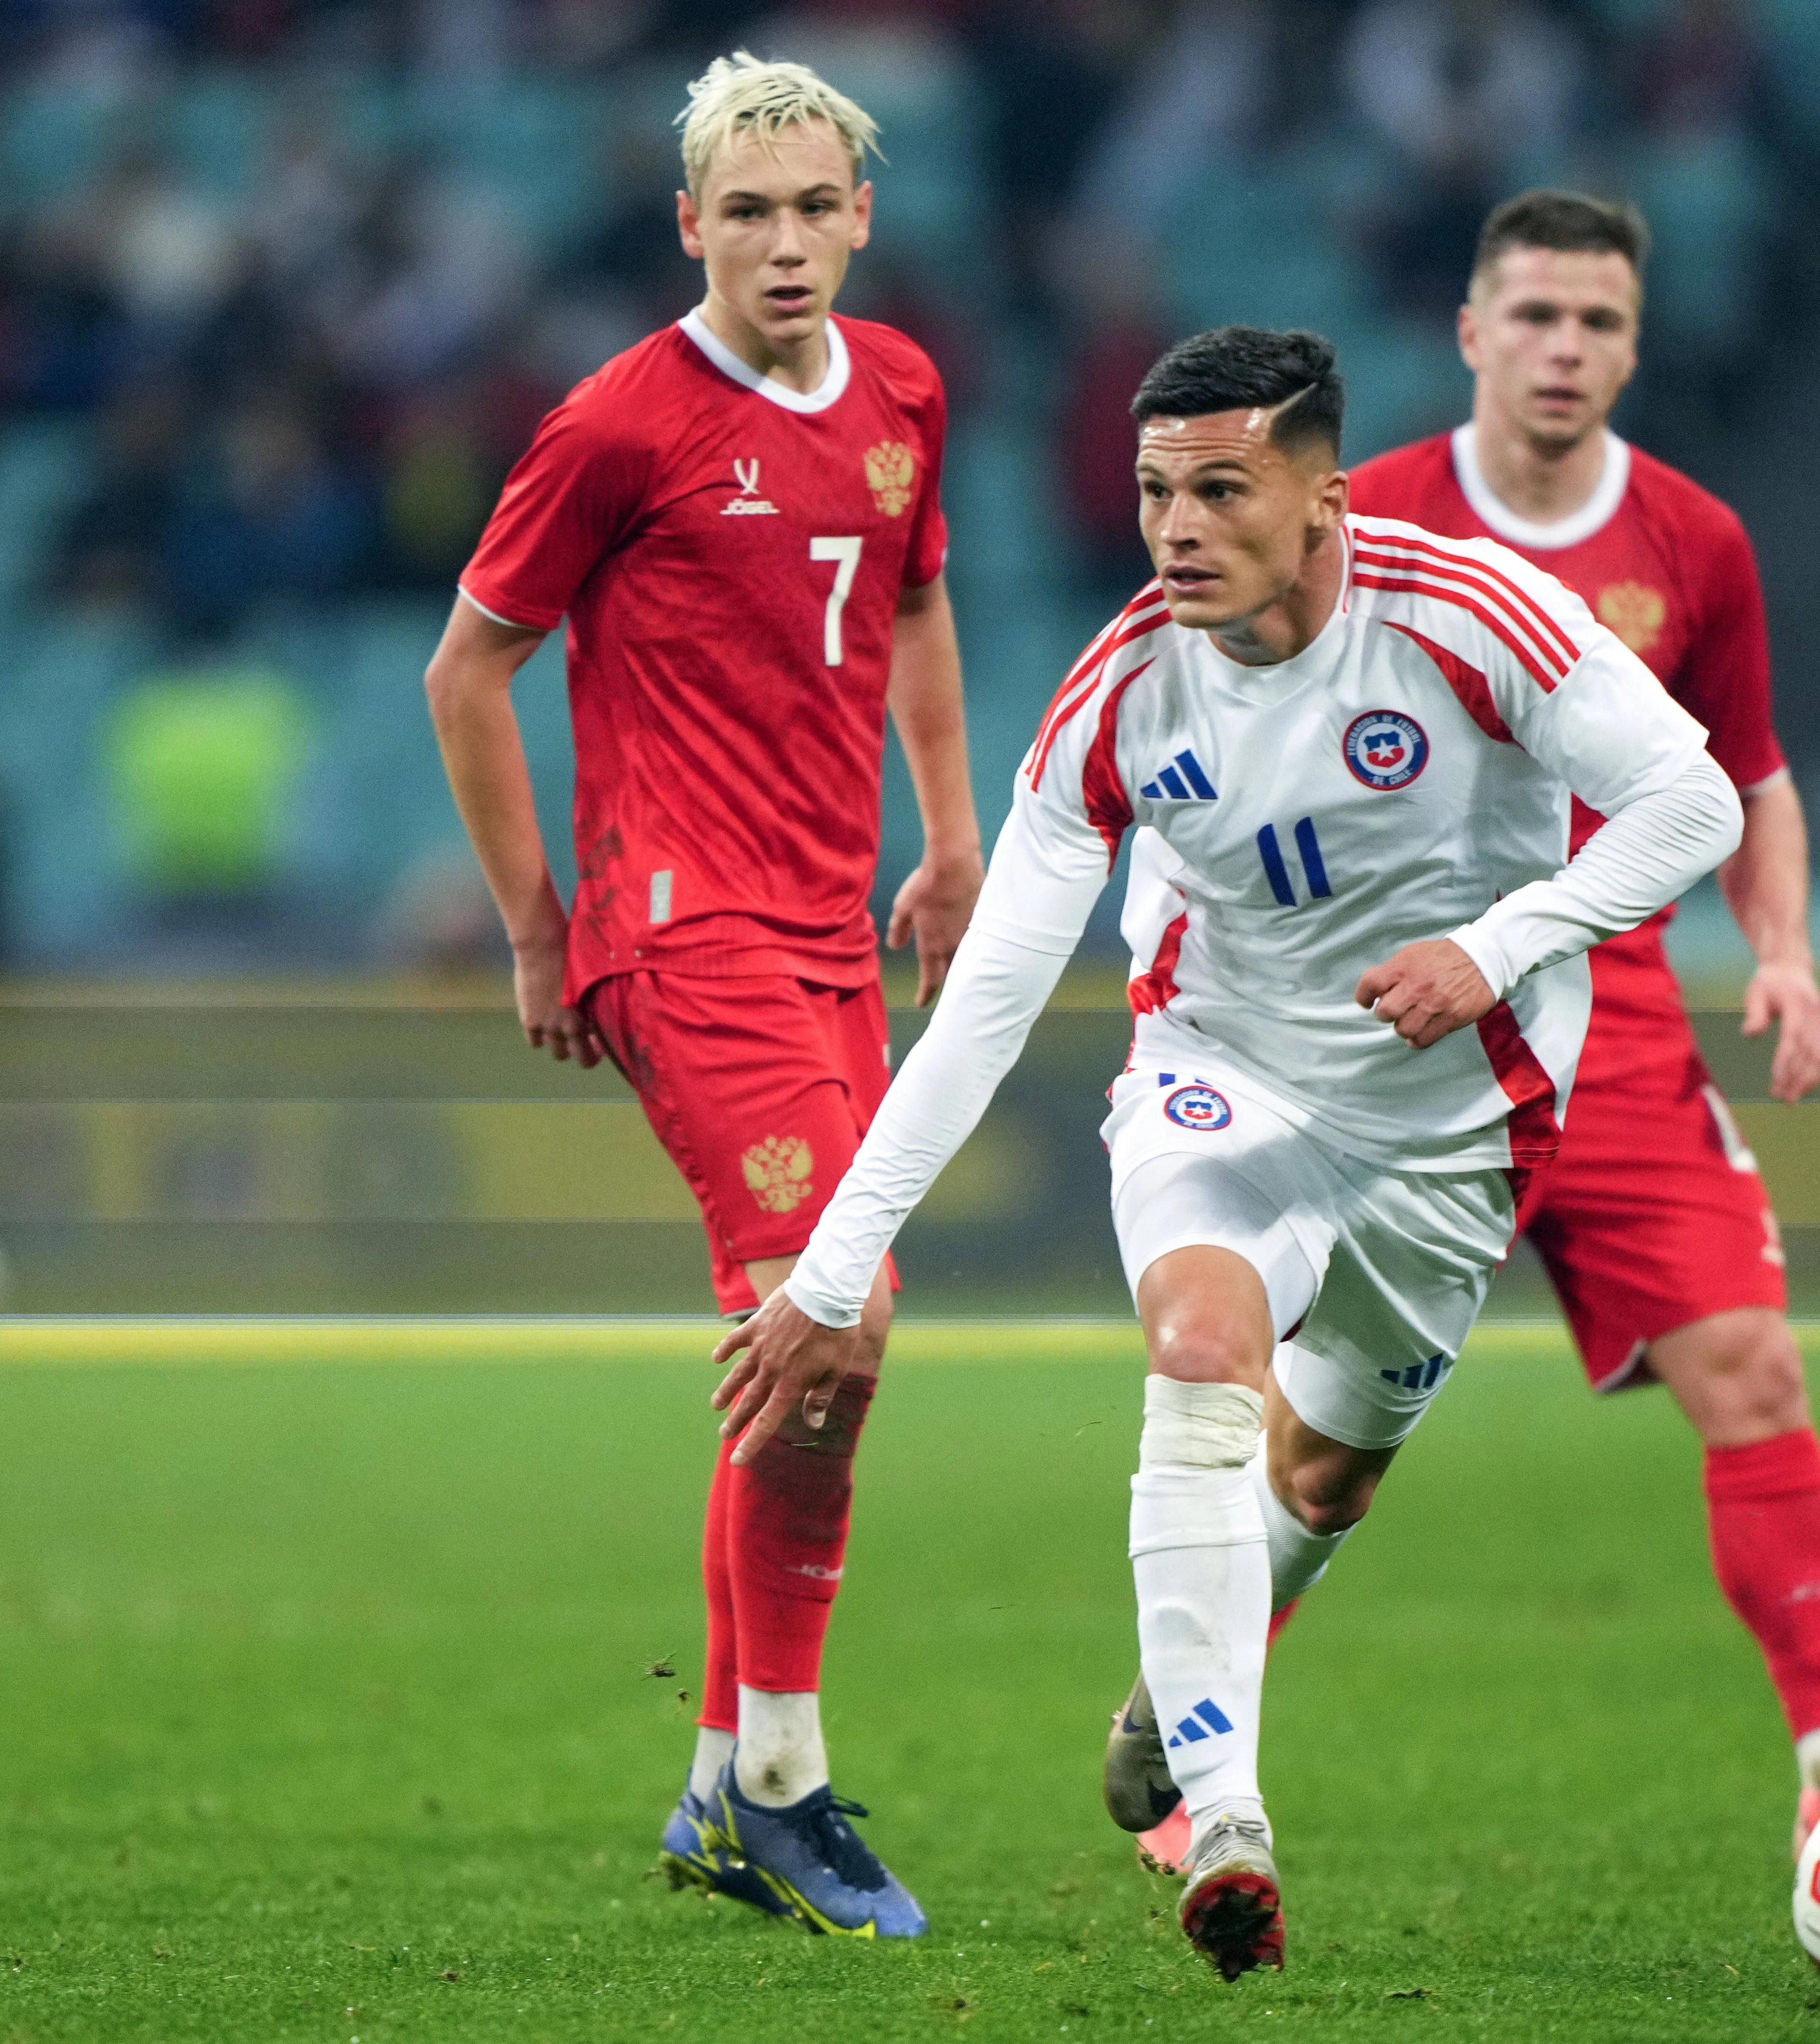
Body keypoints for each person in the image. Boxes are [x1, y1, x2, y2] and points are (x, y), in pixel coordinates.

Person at [713, 326, 1741, 1979]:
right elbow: (985, 1005)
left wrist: (1506, 940)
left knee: (1322, 1482)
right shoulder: (1123, 692)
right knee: (1201, 1352)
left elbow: (1697, 805)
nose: (1176, 528)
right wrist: (834, 1274)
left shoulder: (1470, 616)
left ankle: (1171, 1686)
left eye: (1218, 490)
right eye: (1151, 493)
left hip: (1455, 1125)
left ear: (1323, 494)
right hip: (1223, 1076)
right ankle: (1228, 1818)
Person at [1091, 191, 1820, 1873]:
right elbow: (1195, 772)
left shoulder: (1696, 541)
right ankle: (1202, 1732)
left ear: (1635, 345)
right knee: (1313, 1467)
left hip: (1614, 1021)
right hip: (1351, 1048)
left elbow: (1740, 774)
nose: (1563, 350)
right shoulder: (1339, 521)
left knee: (1752, 1366)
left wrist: (1790, 953)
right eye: (1533, 317)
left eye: (1597, 322)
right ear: (1470, 334)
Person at [422, 54, 979, 1939]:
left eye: (817, 207)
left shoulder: (901, 388)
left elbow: (908, 602)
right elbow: (468, 671)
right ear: (690, 227)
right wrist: (532, 924)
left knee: (809, 1343)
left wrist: (952, 836)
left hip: (831, 927)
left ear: (863, 217)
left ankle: (722, 1777)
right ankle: (781, 1790)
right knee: (842, 1318)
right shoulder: (621, 423)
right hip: (684, 929)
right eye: (748, 212)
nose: (787, 241)